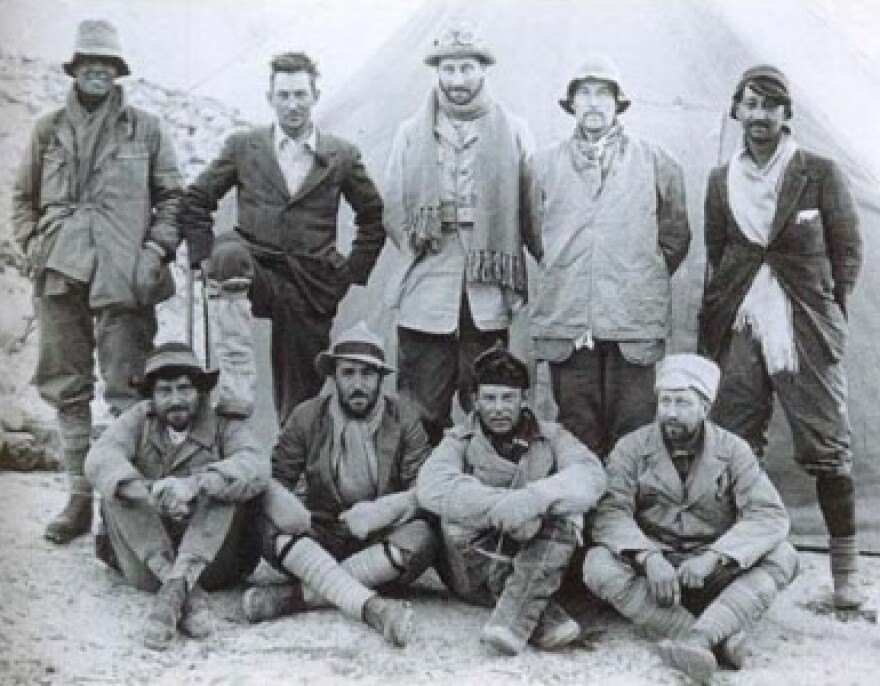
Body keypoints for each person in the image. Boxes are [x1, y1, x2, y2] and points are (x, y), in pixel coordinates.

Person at [12, 19, 183, 543]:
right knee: (67, 385)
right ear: (75, 67)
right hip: (61, 271)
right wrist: (34, 245)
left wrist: (154, 251)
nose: (97, 70)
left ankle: (122, 505)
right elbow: (22, 200)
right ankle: (78, 500)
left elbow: (172, 198)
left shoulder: (146, 128)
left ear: (117, 72)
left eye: (106, 63)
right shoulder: (47, 129)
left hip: (123, 275)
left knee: (128, 386)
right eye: (89, 61)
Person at [699, 65, 864, 610]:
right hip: (742, 320)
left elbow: (847, 252)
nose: (760, 116)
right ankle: (740, 558)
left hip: (804, 325)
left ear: (786, 114)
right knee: (736, 441)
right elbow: (717, 256)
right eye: (750, 104)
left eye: (771, 106)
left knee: (825, 443)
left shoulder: (818, 172)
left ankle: (846, 574)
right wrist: (722, 318)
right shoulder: (721, 181)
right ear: (737, 111)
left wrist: (827, 314)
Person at [182, 52, 386, 423]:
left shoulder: (341, 154)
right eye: (284, 95)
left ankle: (293, 472)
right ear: (270, 98)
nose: (293, 105)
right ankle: (237, 383)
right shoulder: (244, 147)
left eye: (300, 95)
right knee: (228, 255)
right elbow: (197, 199)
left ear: (315, 96)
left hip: (310, 282)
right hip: (254, 265)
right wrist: (201, 258)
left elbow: (372, 216)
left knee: (300, 398)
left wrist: (351, 272)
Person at [584, 353, 798, 683]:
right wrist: (648, 557)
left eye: (682, 403)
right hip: (656, 573)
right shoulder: (631, 448)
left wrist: (714, 557)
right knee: (597, 564)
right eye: (665, 401)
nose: (670, 412)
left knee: (784, 556)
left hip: (713, 571)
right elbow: (611, 513)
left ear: (705, 407)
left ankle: (698, 639)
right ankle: (715, 635)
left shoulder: (734, 450)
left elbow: (767, 514)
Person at [384, 19, 539, 446]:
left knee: (488, 400)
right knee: (419, 405)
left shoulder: (515, 130)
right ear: (437, 72)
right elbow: (393, 203)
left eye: (466, 69)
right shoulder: (411, 133)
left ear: (483, 70)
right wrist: (416, 238)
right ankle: (420, 491)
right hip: (429, 278)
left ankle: (482, 487)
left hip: (488, 280)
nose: (457, 80)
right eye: (448, 69)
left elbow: (531, 210)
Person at [529, 53, 690, 459]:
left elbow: (675, 237)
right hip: (569, 315)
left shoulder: (657, 162)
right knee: (576, 425)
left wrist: (635, 273)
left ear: (619, 103)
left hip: (632, 317)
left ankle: (624, 516)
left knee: (633, 426)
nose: (594, 103)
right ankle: (581, 518)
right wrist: (575, 270)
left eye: (604, 93)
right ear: (571, 104)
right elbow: (535, 236)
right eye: (585, 93)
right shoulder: (541, 165)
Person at [242, 323, 437, 647]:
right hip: (320, 534)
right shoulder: (307, 416)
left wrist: (383, 511)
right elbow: (276, 478)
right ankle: (374, 608)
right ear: (334, 376)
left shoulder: (405, 418)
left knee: (424, 535)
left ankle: (295, 598)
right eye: (348, 373)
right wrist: (285, 505)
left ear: (380, 378)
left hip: (379, 538)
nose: (357, 384)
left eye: (367, 374)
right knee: (263, 520)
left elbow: (425, 489)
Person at [417, 345, 606, 656]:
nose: (499, 408)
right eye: (489, 399)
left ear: (524, 399)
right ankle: (542, 617)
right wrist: (504, 507)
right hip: (477, 565)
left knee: (566, 519)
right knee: (455, 524)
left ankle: (509, 626)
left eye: (508, 398)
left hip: (534, 551)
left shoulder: (552, 436)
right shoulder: (458, 440)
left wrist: (535, 498)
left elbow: (591, 475)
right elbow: (431, 486)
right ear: (475, 401)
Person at [84, 343, 270, 650]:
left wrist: (196, 485)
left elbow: (256, 464)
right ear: (151, 397)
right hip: (146, 560)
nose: (175, 400)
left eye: (184, 389)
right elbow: (99, 458)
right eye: (165, 391)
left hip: (213, 564)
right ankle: (183, 590)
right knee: (116, 488)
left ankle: (174, 592)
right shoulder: (138, 419)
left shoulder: (223, 424)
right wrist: (147, 492)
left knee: (226, 486)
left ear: (199, 391)